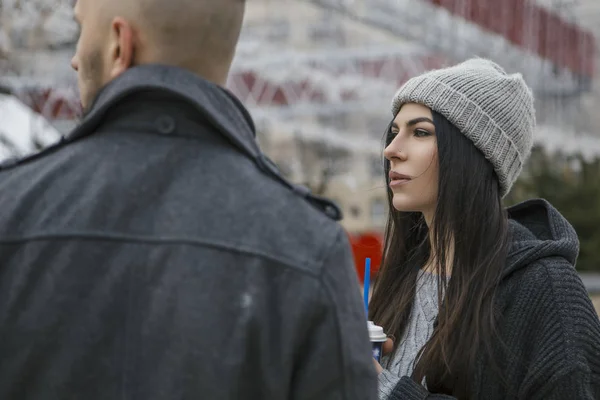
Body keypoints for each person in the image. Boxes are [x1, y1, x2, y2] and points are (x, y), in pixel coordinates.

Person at [0, 0, 377, 399]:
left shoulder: (10, 208)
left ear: (118, 45)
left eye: (80, 32)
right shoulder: (310, 247)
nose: (75, 59)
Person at [368, 58, 600, 399]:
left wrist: (387, 390)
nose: (391, 150)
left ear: (474, 154)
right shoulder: (403, 274)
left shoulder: (545, 291)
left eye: (419, 132)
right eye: (394, 131)